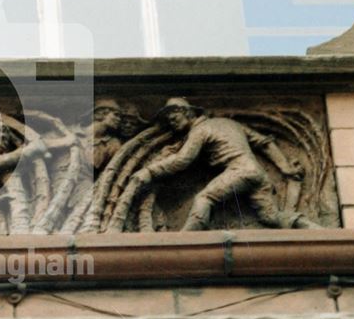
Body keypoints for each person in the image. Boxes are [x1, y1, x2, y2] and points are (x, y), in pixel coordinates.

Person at [131, 97, 319, 231]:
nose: (172, 125)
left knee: (204, 199)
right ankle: (315, 230)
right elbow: (264, 142)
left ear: (187, 113)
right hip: (257, 173)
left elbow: (183, 160)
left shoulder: (201, 130)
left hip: (239, 171)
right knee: (271, 217)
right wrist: (284, 167)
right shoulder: (229, 123)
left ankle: (185, 241)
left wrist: (149, 171)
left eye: (174, 119)